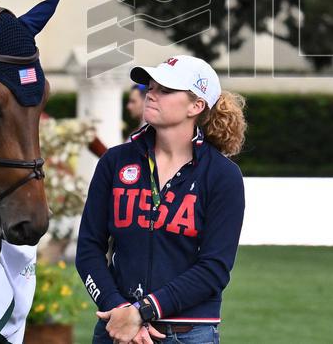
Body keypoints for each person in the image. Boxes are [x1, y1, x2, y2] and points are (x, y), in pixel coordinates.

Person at [76, 56, 246, 344]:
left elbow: (214, 268)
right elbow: (89, 249)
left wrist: (143, 311)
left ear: (197, 105)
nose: (151, 93)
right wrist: (118, 309)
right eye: (151, 86)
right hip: (116, 328)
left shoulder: (223, 176)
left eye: (166, 90)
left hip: (189, 334)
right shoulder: (114, 162)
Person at [89, 83, 146, 157]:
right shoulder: (140, 131)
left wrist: (95, 144)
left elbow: (124, 162)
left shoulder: (147, 132)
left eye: (133, 101)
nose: (128, 106)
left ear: (146, 102)